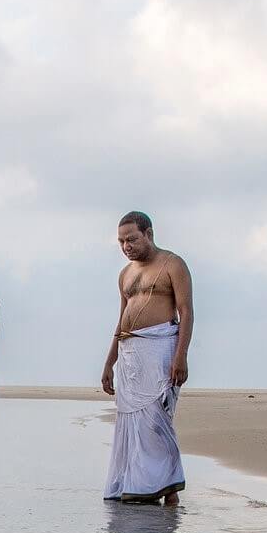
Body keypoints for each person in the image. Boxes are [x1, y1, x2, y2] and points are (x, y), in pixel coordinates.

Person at [100, 211, 193, 505]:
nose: (126, 246)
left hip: (161, 349)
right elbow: (121, 320)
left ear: (149, 234)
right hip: (129, 354)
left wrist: (181, 357)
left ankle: (170, 490)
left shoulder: (172, 264)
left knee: (155, 419)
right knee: (130, 423)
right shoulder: (125, 274)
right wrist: (108, 362)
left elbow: (186, 313)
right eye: (121, 241)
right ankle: (139, 485)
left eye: (132, 239)